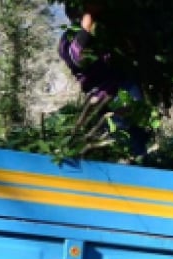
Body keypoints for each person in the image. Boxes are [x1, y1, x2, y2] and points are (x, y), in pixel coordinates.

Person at [58, 4, 149, 156]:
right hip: (104, 98)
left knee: (137, 136)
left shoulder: (106, 29)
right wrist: (85, 29)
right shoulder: (68, 39)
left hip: (126, 89)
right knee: (119, 139)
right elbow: (77, 57)